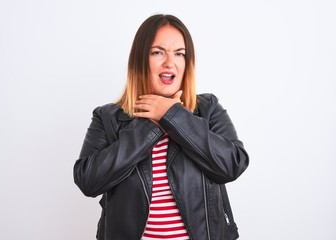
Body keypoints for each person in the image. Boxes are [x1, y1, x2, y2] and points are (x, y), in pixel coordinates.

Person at [73, 14, 249, 240]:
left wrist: (173, 115)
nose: (169, 62)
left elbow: (233, 164)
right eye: (158, 52)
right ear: (140, 60)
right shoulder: (108, 117)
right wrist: (152, 125)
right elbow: (88, 180)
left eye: (179, 54)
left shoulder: (208, 108)